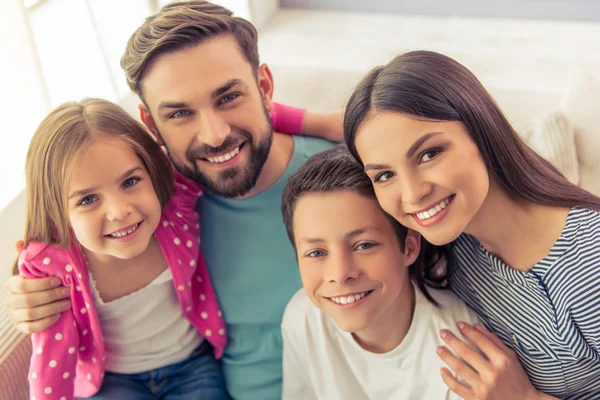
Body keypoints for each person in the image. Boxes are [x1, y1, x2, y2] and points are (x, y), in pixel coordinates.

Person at [3, 2, 338, 399]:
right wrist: (27, 290)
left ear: (264, 87)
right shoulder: (158, 195)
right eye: (180, 113)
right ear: (152, 125)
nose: (214, 135)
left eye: (229, 97)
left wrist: (326, 122)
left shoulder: (347, 174)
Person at [343, 50, 600, 400]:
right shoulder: (452, 242)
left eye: (429, 154)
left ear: (481, 130)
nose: (413, 194)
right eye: (385, 175)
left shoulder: (589, 265)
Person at [17, 98, 227, 400]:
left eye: (130, 182)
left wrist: (314, 122)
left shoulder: (176, 208)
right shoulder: (57, 269)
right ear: (57, 214)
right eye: (88, 200)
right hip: (112, 380)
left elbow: (230, 132)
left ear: (152, 171)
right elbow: (52, 362)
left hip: (192, 364)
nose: (119, 211)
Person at [279, 146, 482, 399]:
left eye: (364, 245)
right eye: (317, 253)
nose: (340, 274)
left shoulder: (462, 345)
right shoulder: (302, 321)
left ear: (408, 247)